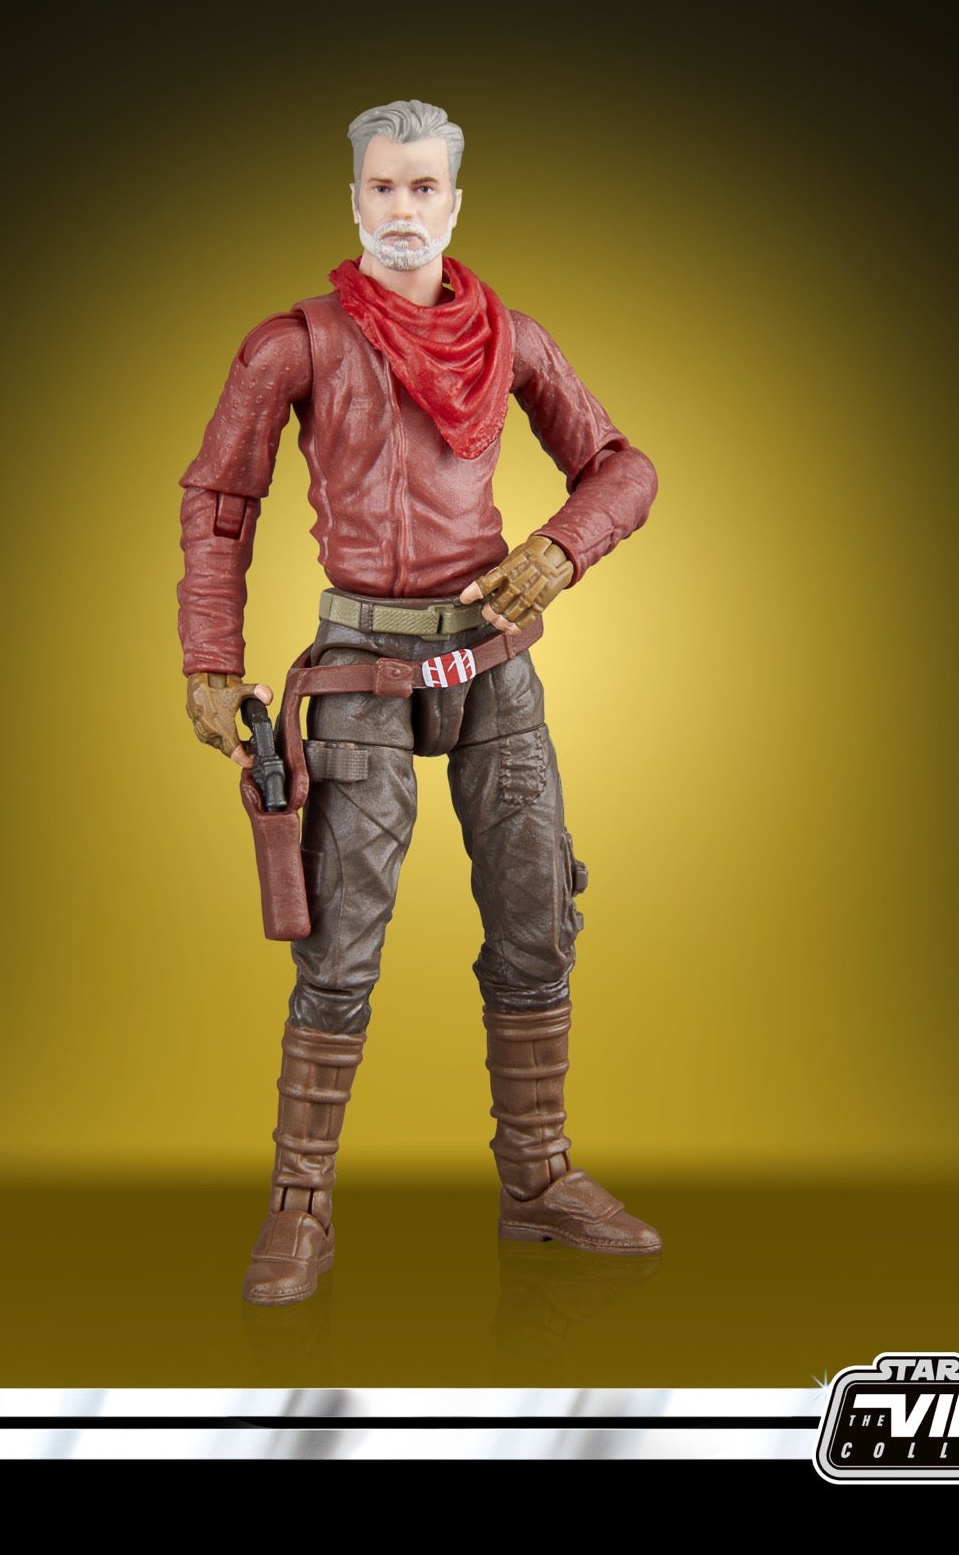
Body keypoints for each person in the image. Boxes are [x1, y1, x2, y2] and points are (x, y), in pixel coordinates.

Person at [178, 100, 660, 1305]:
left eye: (423, 186)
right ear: (354, 200)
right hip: (359, 667)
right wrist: (208, 660)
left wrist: (560, 549)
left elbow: (622, 466)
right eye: (382, 187)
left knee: (536, 921)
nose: (403, 208)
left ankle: (537, 1178)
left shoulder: (512, 338)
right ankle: (300, 1204)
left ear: (454, 201)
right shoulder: (293, 344)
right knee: (337, 945)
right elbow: (220, 499)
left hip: (492, 661)